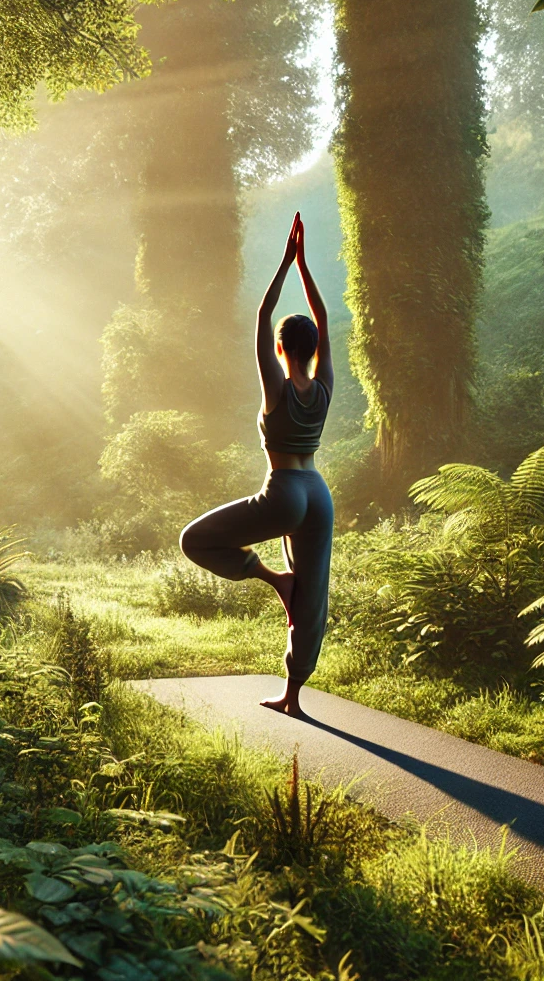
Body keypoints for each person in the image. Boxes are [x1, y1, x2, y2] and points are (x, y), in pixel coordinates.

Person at [179, 212, 334, 719]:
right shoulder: (325, 387)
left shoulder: (278, 386)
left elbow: (263, 314)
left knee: (195, 540)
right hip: (318, 494)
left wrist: (287, 263)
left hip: (285, 490)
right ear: (314, 348)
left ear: (280, 349)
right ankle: (293, 696)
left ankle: (273, 579)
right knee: (312, 603)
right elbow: (325, 320)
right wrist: (307, 268)